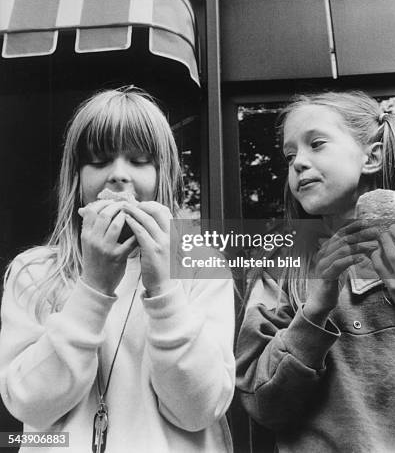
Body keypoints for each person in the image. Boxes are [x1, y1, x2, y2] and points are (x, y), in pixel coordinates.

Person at [0, 86, 235, 453]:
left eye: (140, 160)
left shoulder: (201, 268)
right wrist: (93, 287)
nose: (118, 175)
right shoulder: (32, 272)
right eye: (98, 160)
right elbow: (29, 404)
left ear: (163, 175)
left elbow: (199, 410)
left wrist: (164, 290)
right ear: (75, 178)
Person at [236, 90, 395, 453]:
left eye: (316, 144)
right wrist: (315, 309)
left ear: (372, 156)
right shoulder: (279, 266)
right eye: (290, 156)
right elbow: (262, 405)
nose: (298, 164)